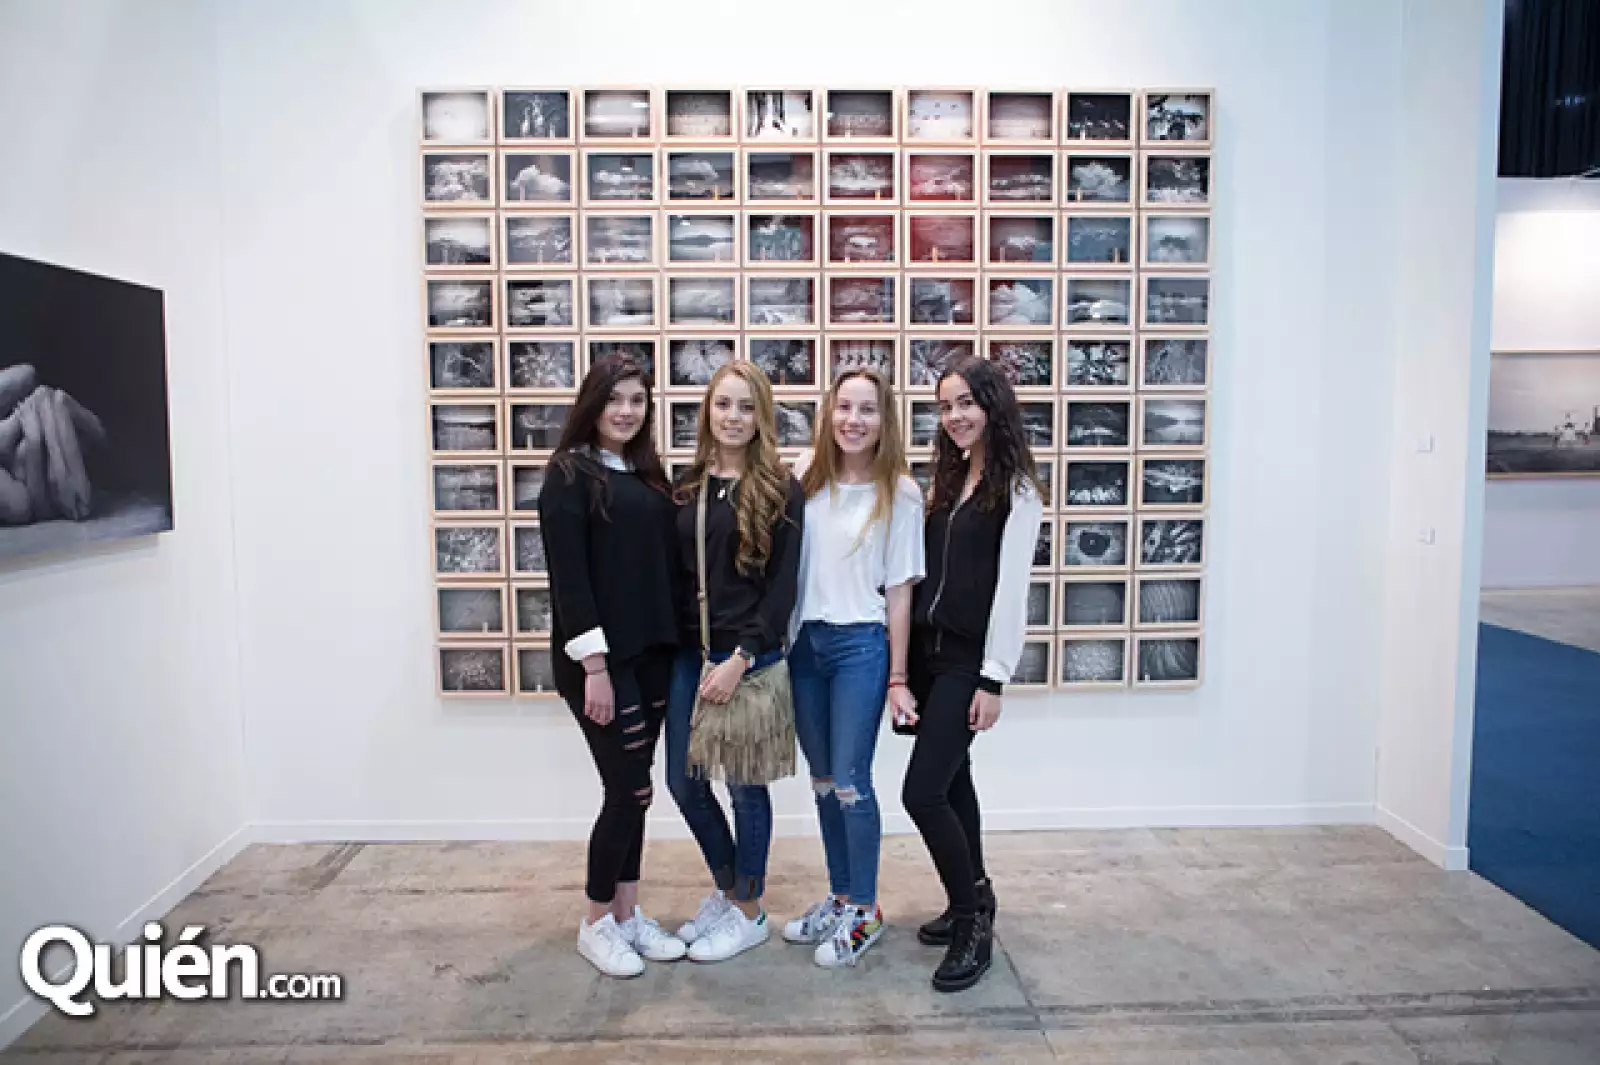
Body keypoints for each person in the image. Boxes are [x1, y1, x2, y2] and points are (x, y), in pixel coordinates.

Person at [536, 353, 687, 978]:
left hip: (652, 654)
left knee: (640, 793)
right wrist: (594, 666)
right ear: (592, 404)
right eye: (614, 399)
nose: (625, 411)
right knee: (625, 791)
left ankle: (628, 916)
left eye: (636, 400)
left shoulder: (647, 474)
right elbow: (569, 581)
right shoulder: (569, 474)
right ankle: (596, 922)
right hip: (600, 661)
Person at [900, 357, 1044, 993]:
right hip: (930, 657)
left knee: (921, 792)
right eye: (946, 406)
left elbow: (1012, 592)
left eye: (966, 403)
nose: (955, 416)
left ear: (992, 406)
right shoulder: (948, 479)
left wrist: (994, 678)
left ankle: (972, 917)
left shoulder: (1017, 491)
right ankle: (973, 900)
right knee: (954, 783)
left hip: (967, 660)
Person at [781, 368, 924, 966]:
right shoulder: (804, 481)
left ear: (883, 421)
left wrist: (898, 676)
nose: (853, 420)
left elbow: (899, 593)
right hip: (804, 648)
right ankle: (841, 898)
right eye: (844, 407)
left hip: (861, 647)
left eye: (866, 409)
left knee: (851, 782)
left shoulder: (902, 494)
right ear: (829, 413)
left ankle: (865, 910)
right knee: (820, 783)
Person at [665, 361, 805, 963]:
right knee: (684, 782)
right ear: (707, 411)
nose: (733, 417)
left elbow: (781, 590)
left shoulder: (779, 487)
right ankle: (729, 887)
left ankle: (749, 911)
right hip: (690, 658)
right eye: (723, 404)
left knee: (746, 791)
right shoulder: (686, 485)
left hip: (748, 658)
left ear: (762, 416)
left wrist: (741, 657)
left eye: (746, 407)